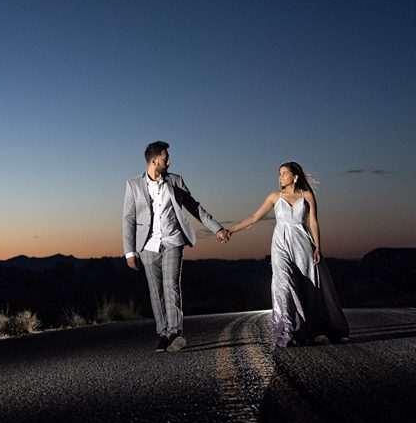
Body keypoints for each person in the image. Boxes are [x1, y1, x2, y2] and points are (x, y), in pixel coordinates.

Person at [123, 141, 230, 353]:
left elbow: (194, 207)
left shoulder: (176, 181)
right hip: (147, 246)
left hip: (173, 241)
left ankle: (175, 333)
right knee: (156, 292)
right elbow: (128, 218)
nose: (169, 162)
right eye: (165, 159)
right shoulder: (133, 185)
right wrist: (129, 251)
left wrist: (217, 228)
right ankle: (162, 334)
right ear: (154, 161)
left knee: (171, 286)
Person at [228, 161, 349, 347]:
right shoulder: (275, 196)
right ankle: (288, 331)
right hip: (280, 245)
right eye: (279, 173)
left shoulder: (307, 195)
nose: (281, 177)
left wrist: (317, 247)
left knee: (308, 286)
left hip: (303, 244)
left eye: (284, 173)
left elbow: (313, 222)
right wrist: (231, 230)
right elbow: (254, 217)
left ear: (295, 177)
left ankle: (312, 330)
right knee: (283, 283)